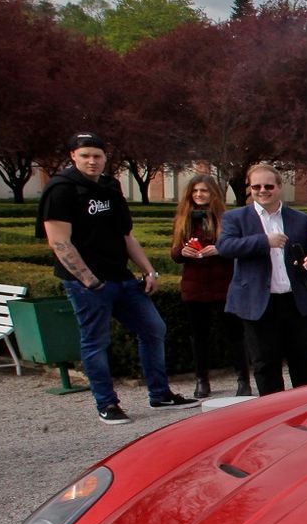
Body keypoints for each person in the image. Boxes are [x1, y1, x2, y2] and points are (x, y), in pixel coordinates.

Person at [39, 133, 196, 424]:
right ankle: (107, 404)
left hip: (121, 277)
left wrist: (149, 270)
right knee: (96, 341)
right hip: (87, 282)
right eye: (85, 155)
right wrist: (88, 280)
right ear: (73, 155)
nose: (92, 161)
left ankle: (160, 394)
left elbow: (126, 235)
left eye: (97, 156)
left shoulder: (110, 187)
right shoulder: (61, 189)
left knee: (153, 328)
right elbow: (59, 242)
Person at [217, 163, 307, 395]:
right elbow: (225, 247)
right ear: (249, 188)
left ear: (279, 187)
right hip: (259, 302)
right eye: (256, 186)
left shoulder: (299, 218)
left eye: (268, 186)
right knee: (265, 364)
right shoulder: (236, 218)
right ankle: (273, 418)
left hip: (293, 301)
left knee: (303, 361)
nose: (262, 190)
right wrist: (263, 241)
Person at [170, 173, 248, 398]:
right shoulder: (183, 218)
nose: (199, 195)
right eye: (195, 191)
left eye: (203, 191)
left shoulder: (226, 218)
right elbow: (174, 252)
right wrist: (182, 252)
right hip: (195, 286)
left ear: (213, 193)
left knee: (234, 334)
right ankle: (201, 379)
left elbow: (236, 247)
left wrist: (220, 249)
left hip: (224, 284)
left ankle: (243, 378)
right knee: (199, 336)